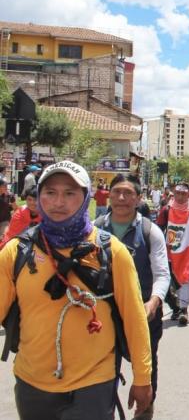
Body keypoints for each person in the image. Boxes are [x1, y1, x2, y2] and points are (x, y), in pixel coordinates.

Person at [0, 161, 153, 418]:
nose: (59, 202)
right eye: (50, 192)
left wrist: (143, 376)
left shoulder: (112, 252)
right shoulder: (16, 252)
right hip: (32, 385)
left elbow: (135, 320)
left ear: (86, 198)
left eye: (70, 193)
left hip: (94, 385)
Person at [94, 173, 170, 415]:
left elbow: (162, 273)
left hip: (143, 313)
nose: (121, 198)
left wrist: (154, 302)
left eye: (128, 193)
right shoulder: (94, 230)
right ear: (109, 196)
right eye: (116, 192)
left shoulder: (150, 231)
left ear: (138, 199)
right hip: (102, 314)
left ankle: (145, 406)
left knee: (147, 362)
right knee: (103, 364)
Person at [156, 182, 189, 325]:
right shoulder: (166, 210)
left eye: (184, 194)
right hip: (168, 252)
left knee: (185, 280)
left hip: (188, 251)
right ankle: (176, 307)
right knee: (168, 280)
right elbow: (158, 230)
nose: (180, 196)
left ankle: (184, 310)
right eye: (178, 193)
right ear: (173, 193)